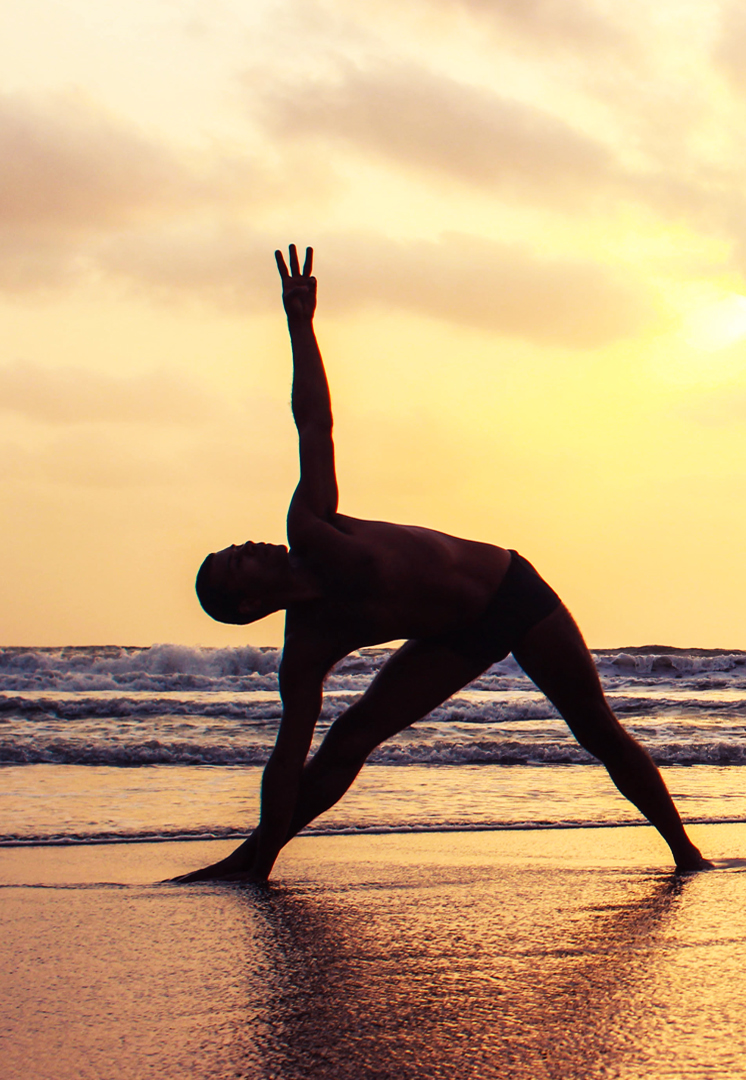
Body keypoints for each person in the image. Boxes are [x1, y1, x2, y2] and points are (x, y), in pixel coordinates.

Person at [171, 245, 709, 882]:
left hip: (510, 591)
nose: (249, 547)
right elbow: (286, 761)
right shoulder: (307, 650)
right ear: (248, 605)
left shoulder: (311, 526)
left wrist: (300, 325)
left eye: (237, 548)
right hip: (451, 637)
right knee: (348, 738)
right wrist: (261, 856)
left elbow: (314, 422)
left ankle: (685, 852)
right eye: (238, 564)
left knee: (594, 727)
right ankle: (254, 861)